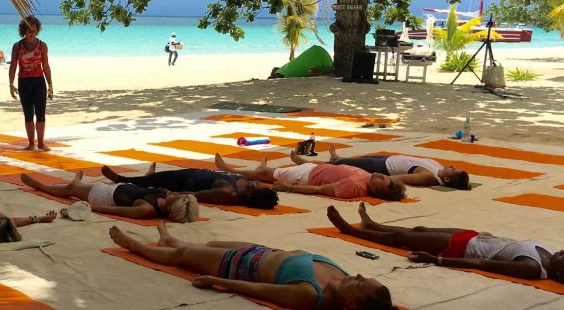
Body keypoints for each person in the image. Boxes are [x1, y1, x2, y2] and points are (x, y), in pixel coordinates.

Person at [109, 221, 397, 310]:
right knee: (208, 244)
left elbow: (260, 289)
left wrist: (217, 282)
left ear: (351, 306)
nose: (356, 275)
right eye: (362, 275)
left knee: (182, 255)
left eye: (359, 282)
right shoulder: (342, 279)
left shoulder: (311, 295)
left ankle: (135, 246)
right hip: (262, 252)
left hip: (241, 266)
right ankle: (169, 238)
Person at [327, 203, 564, 282]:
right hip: (477, 237)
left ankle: (350, 231)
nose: (562, 251)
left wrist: (437, 260)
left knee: (401, 240)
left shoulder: (532, 268)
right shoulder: (551, 255)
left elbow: (481, 265)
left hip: (465, 248)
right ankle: (374, 226)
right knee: (419, 229)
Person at [214, 153, 406, 201]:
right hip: (313, 169)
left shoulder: (354, 187)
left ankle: (228, 169)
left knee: (263, 175)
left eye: (383, 180)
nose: (381, 175)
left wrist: (289, 187)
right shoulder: (368, 178)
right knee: (269, 172)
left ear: (378, 190)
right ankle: (265, 168)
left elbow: (319, 190)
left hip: (308, 176)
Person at [20, 171, 198, 223]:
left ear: (171, 208)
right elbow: (147, 187)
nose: (177, 194)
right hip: (120, 188)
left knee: (71, 189)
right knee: (75, 187)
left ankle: (41, 186)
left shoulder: (147, 209)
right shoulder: (165, 194)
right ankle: (76, 183)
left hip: (104, 196)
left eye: (179, 197)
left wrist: (88, 206)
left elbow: (118, 210)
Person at [101, 163, 278, 209]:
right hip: (197, 172)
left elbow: (198, 195)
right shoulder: (245, 185)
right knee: (155, 177)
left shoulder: (228, 193)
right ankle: (146, 177)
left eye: (259, 187)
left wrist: (169, 194)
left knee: (153, 181)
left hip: (186, 180)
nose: (257, 183)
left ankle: (120, 179)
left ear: (250, 196)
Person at [295, 145, 470, 190]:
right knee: (355, 160)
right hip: (389, 159)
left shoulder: (429, 176)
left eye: (453, 170)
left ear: (446, 179)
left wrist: (374, 179)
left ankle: (307, 164)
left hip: (384, 167)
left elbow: (400, 178)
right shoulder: (439, 169)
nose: (452, 166)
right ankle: (337, 158)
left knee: (344, 166)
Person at [8, 16, 53, 151]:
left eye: (34, 30)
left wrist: (50, 85)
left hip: (39, 82)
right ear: (24, 30)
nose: (32, 33)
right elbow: (13, 66)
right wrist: (11, 84)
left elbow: (46, 66)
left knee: (41, 114)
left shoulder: (43, 45)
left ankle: (40, 143)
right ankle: (31, 144)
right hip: (24, 82)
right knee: (28, 114)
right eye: (29, 31)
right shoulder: (17, 46)